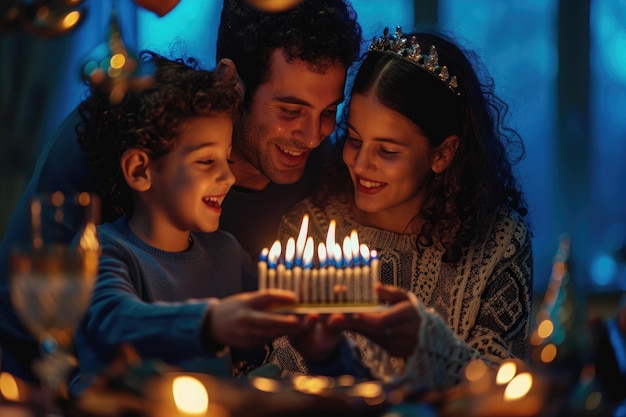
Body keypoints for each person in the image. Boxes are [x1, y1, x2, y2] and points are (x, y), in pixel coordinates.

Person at [0, 0, 362, 382]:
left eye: (328, 113)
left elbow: (285, 323)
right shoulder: (134, 132)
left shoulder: (236, 244)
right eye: (289, 110)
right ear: (229, 81)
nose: (312, 137)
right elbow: (46, 317)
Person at [266, 27, 533, 391]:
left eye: (387, 152)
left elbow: (506, 389)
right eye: (355, 140)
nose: (360, 165)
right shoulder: (309, 231)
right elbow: (281, 371)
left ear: (442, 154)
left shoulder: (498, 242)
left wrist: (427, 346)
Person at [70, 51, 306, 394]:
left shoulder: (227, 253)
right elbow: (113, 320)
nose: (227, 176)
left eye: (226, 159)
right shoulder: (103, 250)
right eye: (207, 160)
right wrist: (211, 323)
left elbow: (272, 330)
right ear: (140, 170)